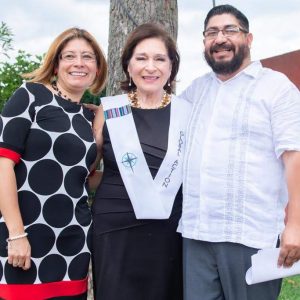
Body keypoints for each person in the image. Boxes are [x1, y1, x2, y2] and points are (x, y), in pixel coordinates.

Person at [179, 4, 300, 300]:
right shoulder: (195, 90)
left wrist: (295, 225)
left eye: (229, 30)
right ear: (205, 42)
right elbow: (156, 116)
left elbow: (294, 156)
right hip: (196, 233)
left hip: (251, 235)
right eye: (211, 32)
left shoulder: (276, 88)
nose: (220, 38)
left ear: (248, 39)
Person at [0, 27, 107, 300]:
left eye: (88, 57)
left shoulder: (88, 116)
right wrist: (16, 234)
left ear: (97, 67)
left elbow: (81, 179)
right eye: (69, 56)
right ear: (56, 64)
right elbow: (3, 166)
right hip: (24, 240)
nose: (79, 63)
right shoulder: (31, 96)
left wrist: (99, 135)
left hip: (73, 244)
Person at [91, 23, 190, 300]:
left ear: (171, 67)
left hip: (168, 230)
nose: (151, 67)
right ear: (128, 65)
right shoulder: (108, 110)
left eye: (160, 59)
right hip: (114, 228)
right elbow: (87, 173)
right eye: (141, 58)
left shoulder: (187, 113)